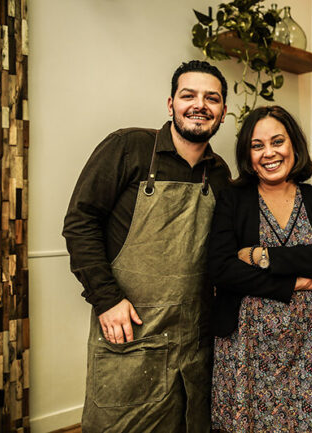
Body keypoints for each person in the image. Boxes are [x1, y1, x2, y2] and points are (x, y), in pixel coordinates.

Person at [62, 60, 231, 432]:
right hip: (131, 329)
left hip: (193, 338)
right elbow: (80, 222)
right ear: (170, 104)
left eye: (212, 98)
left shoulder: (219, 173)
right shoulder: (128, 147)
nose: (199, 104)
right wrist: (106, 299)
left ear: (222, 114)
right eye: (189, 95)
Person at [207, 105, 312, 432]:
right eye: (257, 145)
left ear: (294, 146)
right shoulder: (233, 200)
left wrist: (262, 256)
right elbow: (222, 269)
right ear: (248, 153)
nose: (268, 153)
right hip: (245, 348)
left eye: (277, 141)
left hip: (309, 344)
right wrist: (292, 284)